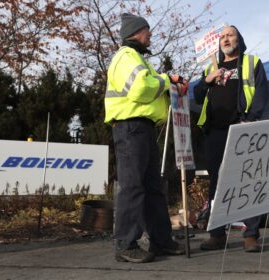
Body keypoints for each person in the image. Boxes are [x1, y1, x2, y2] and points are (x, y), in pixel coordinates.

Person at [105, 13, 186, 263]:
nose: (150, 35)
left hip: (141, 128)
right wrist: (166, 79)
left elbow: (148, 88)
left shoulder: (136, 58)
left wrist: (171, 86)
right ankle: (125, 244)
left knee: (152, 187)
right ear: (137, 31)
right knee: (133, 186)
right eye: (147, 31)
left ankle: (161, 240)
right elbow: (141, 89)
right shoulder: (126, 57)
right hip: (131, 127)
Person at [193, 26, 269, 252]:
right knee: (217, 184)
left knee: (247, 180)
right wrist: (207, 80)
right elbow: (197, 96)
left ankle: (251, 234)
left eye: (230, 35)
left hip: (242, 129)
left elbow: (262, 94)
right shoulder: (211, 66)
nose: (225, 39)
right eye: (222, 37)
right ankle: (217, 234)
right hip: (215, 132)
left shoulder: (251, 63)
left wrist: (251, 119)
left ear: (239, 39)